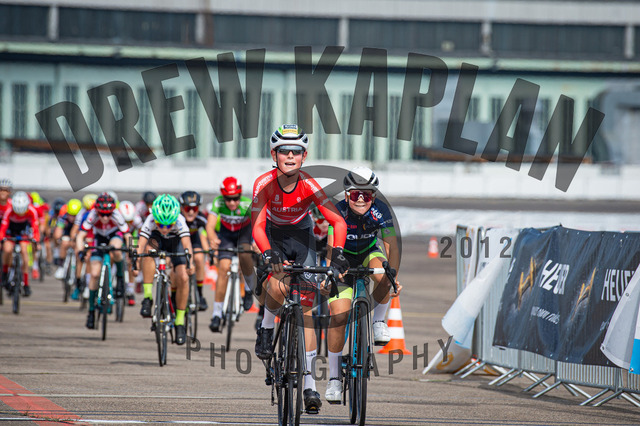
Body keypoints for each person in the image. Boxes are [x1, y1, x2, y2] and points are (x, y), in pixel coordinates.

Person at [251, 124, 349, 414]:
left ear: (304, 156)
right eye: (284, 151)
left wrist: (338, 253)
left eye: (297, 151)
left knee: (306, 312)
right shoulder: (264, 183)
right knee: (277, 284)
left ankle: (309, 385)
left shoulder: (309, 184)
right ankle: (266, 328)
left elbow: (338, 221)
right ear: (274, 155)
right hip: (273, 236)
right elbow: (257, 225)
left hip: (302, 238)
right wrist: (267, 252)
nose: (291, 156)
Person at [323, 166, 402, 404]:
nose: (360, 199)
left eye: (366, 194)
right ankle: (334, 379)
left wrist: (393, 276)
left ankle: (378, 321)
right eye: (356, 194)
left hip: (368, 252)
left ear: (373, 196)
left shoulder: (381, 210)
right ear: (347, 194)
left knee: (385, 274)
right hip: (343, 258)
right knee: (339, 316)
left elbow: (390, 244)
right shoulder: (338, 211)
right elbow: (331, 246)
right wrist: (329, 273)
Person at [134, 194, 194, 346]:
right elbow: (140, 244)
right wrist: (136, 263)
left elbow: (187, 245)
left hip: (175, 244)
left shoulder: (180, 220)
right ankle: (148, 298)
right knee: (148, 251)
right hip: (157, 241)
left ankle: (179, 322)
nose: (165, 229)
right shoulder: (150, 219)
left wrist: (190, 263)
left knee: (183, 277)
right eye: (161, 225)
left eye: (169, 225)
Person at [206, 177, 256, 332]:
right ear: (223, 197)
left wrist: (256, 242)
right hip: (226, 235)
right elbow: (210, 226)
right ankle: (216, 313)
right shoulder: (218, 203)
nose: (232, 202)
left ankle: (248, 290)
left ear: (240, 195)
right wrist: (212, 238)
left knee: (245, 256)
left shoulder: (247, 204)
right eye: (228, 199)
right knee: (223, 268)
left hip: (243, 234)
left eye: (235, 198)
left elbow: (258, 224)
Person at [75, 193, 130, 330]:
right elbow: (80, 236)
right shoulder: (92, 214)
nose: (105, 218)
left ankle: (120, 277)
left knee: (116, 249)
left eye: (108, 214)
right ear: (97, 211)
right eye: (102, 214)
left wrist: (132, 250)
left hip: (114, 235)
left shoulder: (117, 215)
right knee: (94, 274)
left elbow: (128, 235)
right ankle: (91, 311)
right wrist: (81, 251)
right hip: (98, 237)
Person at [0, 191, 40, 296]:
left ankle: (26, 284)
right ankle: (4, 273)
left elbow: (35, 228)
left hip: (23, 231)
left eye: (22, 212)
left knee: (24, 251)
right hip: (11, 231)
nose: (20, 214)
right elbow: (3, 228)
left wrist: (36, 239)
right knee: (7, 249)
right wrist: (2, 239)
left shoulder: (32, 211)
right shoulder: (9, 211)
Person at [179, 191, 209, 311]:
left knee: (199, 258)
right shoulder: (178, 218)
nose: (191, 212)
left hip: (194, 240)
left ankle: (200, 294)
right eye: (187, 209)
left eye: (194, 208)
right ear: (182, 208)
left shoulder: (201, 218)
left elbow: (210, 231)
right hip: (180, 241)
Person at [119, 200, 141, 306]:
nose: (128, 223)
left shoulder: (137, 220)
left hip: (132, 237)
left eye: (130, 221)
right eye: (125, 221)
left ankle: (130, 289)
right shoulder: (117, 218)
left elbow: (141, 233)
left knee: (132, 259)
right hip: (120, 235)